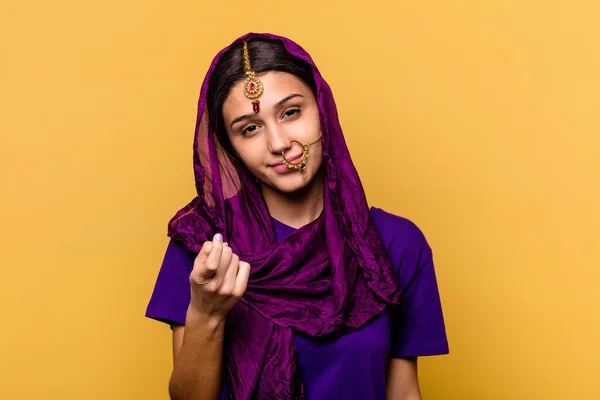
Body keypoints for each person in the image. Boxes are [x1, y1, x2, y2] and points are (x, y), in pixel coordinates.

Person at [146, 32, 449, 400]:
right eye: (250, 129)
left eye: (291, 112)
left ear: (323, 109)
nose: (278, 144)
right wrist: (207, 313)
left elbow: (403, 393)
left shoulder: (394, 243)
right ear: (231, 148)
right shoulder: (205, 245)